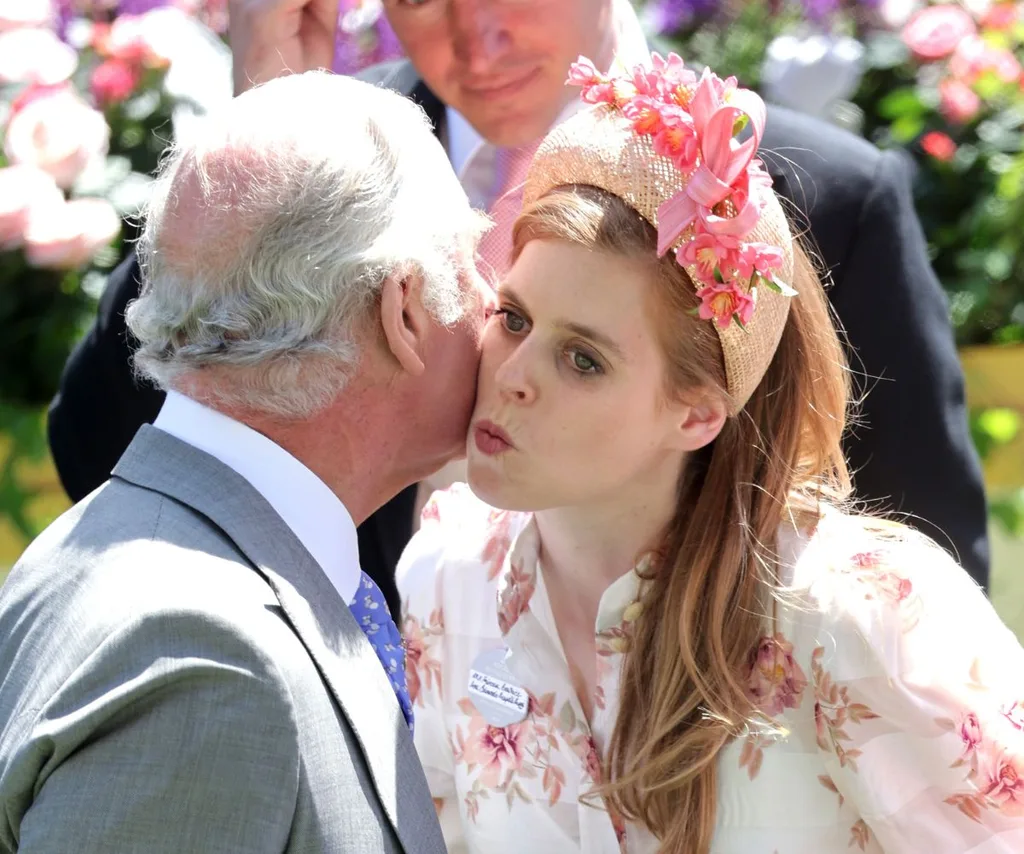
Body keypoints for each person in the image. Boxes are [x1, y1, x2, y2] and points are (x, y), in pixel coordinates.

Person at [46, 0, 990, 612]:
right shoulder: (321, 135)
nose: (476, 39)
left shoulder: (823, 197)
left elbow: (924, 548)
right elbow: (100, 448)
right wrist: (268, 130)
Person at [398, 56, 1024, 854]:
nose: (512, 377)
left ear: (697, 416)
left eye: (582, 359)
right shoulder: (446, 578)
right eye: (515, 319)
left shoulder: (863, 612)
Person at [0, 70, 490, 853]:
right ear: (404, 312)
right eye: (472, 260)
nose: (493, 303)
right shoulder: (211, 660)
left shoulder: (146, 560)